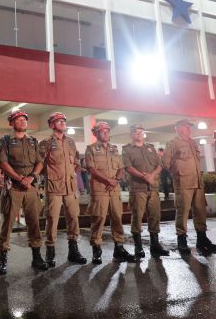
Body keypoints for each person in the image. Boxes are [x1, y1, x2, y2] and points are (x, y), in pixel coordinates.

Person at [0, 110, 48, 274]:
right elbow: (2, 163)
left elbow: (40, 162)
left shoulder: (33, 141)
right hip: (14, 187)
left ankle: (37, 256)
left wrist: (31, 177)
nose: (23, 121)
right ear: (11, 123)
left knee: (34, 222)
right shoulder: (5, 141)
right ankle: (3, 257)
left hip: (31, 187)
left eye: (25, 119)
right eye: (18, 119)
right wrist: (19, 178)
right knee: (8, 223)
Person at [162, 119, 216, 254]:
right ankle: (181, 240)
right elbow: (165, 163)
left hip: (197, 182)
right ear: (178, 128)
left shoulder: (192, 142)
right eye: (186, 126)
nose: (189, 129)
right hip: (183, 183)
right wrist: (178, 172)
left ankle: (202, 239)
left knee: (200, 211)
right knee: (182, 212)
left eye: (189, 127)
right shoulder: (173, 143)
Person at [38, 112, 88, 267]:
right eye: (58, 121)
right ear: (52, 125)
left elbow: (76, 160)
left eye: (63, 121)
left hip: (70, 187)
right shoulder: (46, 143)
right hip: (54, 187)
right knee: (52, 219)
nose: (62, 123)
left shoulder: (71, 142)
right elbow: (39, 163)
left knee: (73, 217)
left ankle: (73, 250)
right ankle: (50, 251)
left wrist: (74, 170)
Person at [84, 121, 136, 264]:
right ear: (96, 133)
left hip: (114, 189)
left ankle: (119, 248)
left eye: (107, 131)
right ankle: (96, 249)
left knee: (117, 218)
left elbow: (120, 168)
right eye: (103, 131)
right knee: (99, 218)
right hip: (99, 189)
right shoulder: (91, 149)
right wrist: (108, 180)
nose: (106, 133)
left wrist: (116, 180)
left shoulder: (114, 149)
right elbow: (91, 169)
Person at [122, 124, 169, 258]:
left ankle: (155, 245)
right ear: (131, 135)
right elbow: (128, 167)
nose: (140, 134)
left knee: (155, 215)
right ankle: (138, 246)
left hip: (153, 188)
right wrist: (144, 177)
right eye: (136, 132)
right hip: (138, 188)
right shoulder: (127, 149)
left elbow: (160, 165)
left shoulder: (150, 148)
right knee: (137, 216)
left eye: (141, 131)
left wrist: (152, 176)